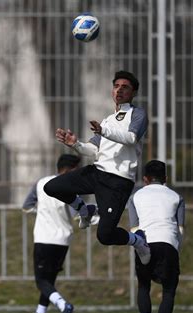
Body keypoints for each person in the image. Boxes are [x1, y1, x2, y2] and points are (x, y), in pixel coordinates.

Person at [43, 70, 151, 264]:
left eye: (125, 87)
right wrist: (74, 144)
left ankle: (138, 240)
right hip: (97, 172)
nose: (119, 90)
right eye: (116, 86)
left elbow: (131, 138)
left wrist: (104, 131)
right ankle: (86, 211)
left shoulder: (137, 114)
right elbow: (92, 150)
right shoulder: (108, 119)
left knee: (105, 236)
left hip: (118, 181)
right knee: (52, 187)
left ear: (133, 92)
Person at [23, 154, 94, 313]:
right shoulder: (74, 187)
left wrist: (41, 212)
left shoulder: (41, 183)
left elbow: (26, 207)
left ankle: (63, 305)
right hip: (63, 239)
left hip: (44, 237)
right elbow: (79, 212)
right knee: (50, 280)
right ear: (68, 170)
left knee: (41, 281)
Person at [127, 160, 185, 313]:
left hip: (144, 244)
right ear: (165, 178)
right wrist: (175, 251)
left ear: (145, 179)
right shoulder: (177, 197)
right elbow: (180, 230)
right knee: (168, 291)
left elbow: (134, 228)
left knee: (143, 286)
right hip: (168, 244)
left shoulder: (135, 197)